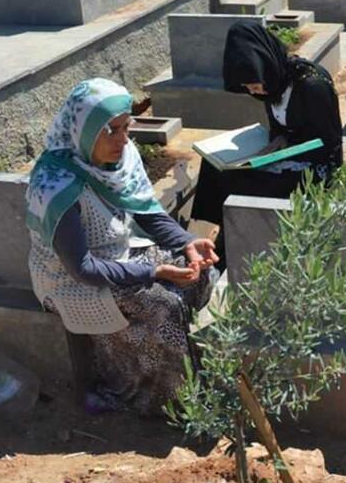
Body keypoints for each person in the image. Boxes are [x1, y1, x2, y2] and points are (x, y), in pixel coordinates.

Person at [26, 78, 219, 415]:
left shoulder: (121, 159)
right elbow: (82, 268)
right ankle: (160, 400)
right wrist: (155, 271)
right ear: (84, 132)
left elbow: (147, 213)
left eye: (125, 127)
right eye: (110, 131)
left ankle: (176, 363)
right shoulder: (57, 185)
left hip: (117, 253)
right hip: (67, 280)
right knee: (161, 302)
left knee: (202, 271)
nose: (122, 140)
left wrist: (187, 243)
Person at [190, 22, 344, 242]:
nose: (252, 91)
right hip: (285, 153)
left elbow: (329, 144)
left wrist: (286, 152)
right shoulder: (273, 83)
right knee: (212, 166)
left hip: (315, 167)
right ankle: (217, 229)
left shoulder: (312, 86)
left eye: (254, 84)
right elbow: (280, 127)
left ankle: (234, 238)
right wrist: (279, 139)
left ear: (265, 65)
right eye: (246, 87)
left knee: (238, 180)